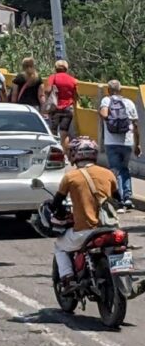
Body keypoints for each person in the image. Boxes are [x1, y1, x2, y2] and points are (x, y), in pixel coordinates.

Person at [51, 137, 119, 292]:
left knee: (60, 246)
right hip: (110, 227)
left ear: (75, 154)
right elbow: (118, 199)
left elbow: (57, 203)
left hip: (85, 231)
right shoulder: (108, 174)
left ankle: (67, 278)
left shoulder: (70, 177)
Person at [99, 80, 141, 211]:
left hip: (111, 142)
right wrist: (137, 144)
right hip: (127, 141)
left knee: (115, 171)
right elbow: (135, 126)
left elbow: (104, 114)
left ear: (108, 90)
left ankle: (119, 200)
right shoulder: (129, 103)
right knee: (125, 169)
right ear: (121, 89)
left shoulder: (106, 100)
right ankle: (128, 198)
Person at [45, 60, 79, 155]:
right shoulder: (73, 80)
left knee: (53, 131)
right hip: (68, 108)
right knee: (64, 132)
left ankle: (54, 152)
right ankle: (64, 154)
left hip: (55, 108)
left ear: (55, 68)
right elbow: (75, 96)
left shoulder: (53, 77)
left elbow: (47, 90)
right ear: (66, 68)